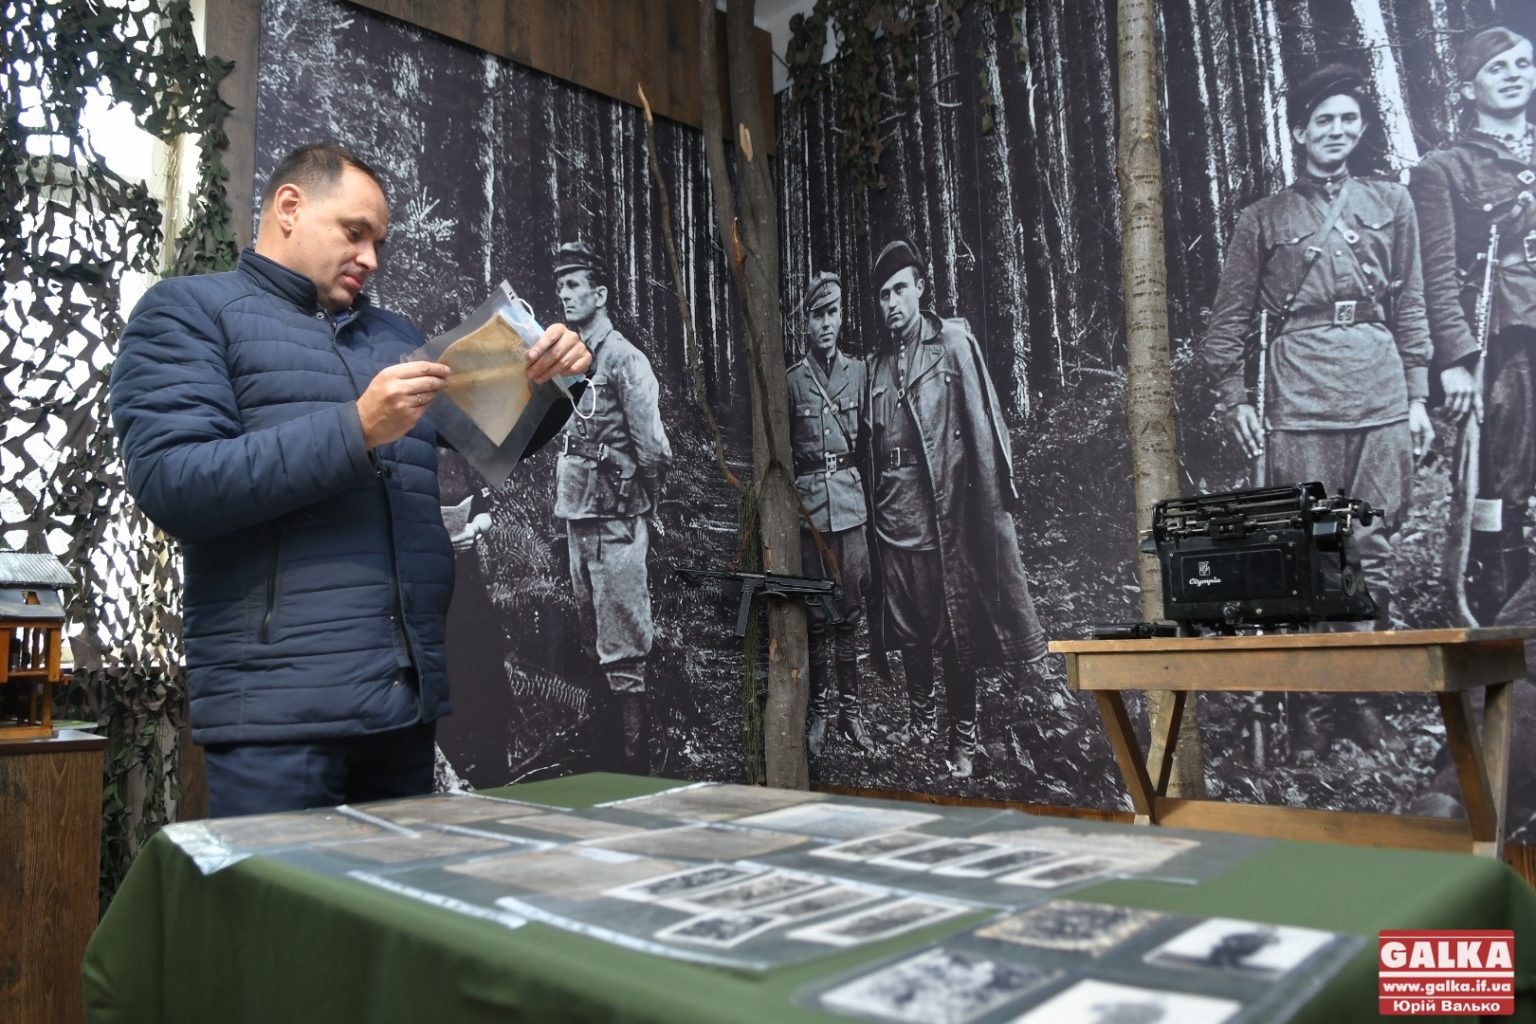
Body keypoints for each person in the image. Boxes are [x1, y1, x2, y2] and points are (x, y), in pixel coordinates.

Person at [110, 143, 591, 816]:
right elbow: (175, 484)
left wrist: (552, 379)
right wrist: (357, 428)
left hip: (404, 706)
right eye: (354, 233)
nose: (371, 258)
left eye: (379, 243)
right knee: (281, 892)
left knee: (389, 888)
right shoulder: (187, 312)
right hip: (277, 717)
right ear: (289, 207)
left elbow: (489, 439)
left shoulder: (393, 336)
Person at [1203, 64, 1435, 633]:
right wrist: (1235, 399)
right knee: (1317, 539)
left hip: (1380, 391)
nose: (1337, 130)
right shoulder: (1262, 218)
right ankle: (1323, 680)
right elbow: (1228, 321)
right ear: (1300, 132)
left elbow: (1411, 302)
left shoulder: (1393, 201)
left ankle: (1367, 677)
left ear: (1362, 127)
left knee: (1373, 537)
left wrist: (1418, 396)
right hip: (1301, 398)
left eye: (1348, 119)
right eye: (1323, 120)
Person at [860, 239, 1049, 779]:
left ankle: (963, 738)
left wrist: (990, 506)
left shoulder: (953, 345)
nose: (892, 303)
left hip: (942, 519)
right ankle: (920, 722)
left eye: (900, 289)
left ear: (920, 287)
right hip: (891, 520)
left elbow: (985, 428)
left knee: (953, 630)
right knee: (908, 628)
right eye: (883, 295)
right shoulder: (876, 367)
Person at [1410, 26, 1536, 625]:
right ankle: (1503, 627)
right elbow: (1435, 275)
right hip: (1507, 347)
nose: (1513, 75)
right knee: (1501, 489)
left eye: (1523, 63)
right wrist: (1456, 360)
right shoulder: (1443, 168)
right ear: (1467, 88)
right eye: (1496, 68)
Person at [550, 241, 672, 772]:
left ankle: (633, 762)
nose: (564, 294)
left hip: (616, 520)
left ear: (600, 294)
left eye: (574, 284)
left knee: (624, 644)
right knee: (593, 638)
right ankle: (603, 755)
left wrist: (641, 501)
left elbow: (653, 450)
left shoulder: (625, 359)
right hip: (579, 514)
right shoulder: (570, 358)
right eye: (561, 285)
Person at [787, 271, 876, 755]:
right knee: (818, 616)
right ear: (806, 322)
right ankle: (820, 711)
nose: (826, 324)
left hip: (850, 508)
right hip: (810, 514)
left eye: (833, 313)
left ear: (842, 317)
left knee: (850, 614)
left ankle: (852, 713)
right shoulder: (792, 381)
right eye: (818, 315)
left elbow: (871, 444)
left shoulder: (858, 373)